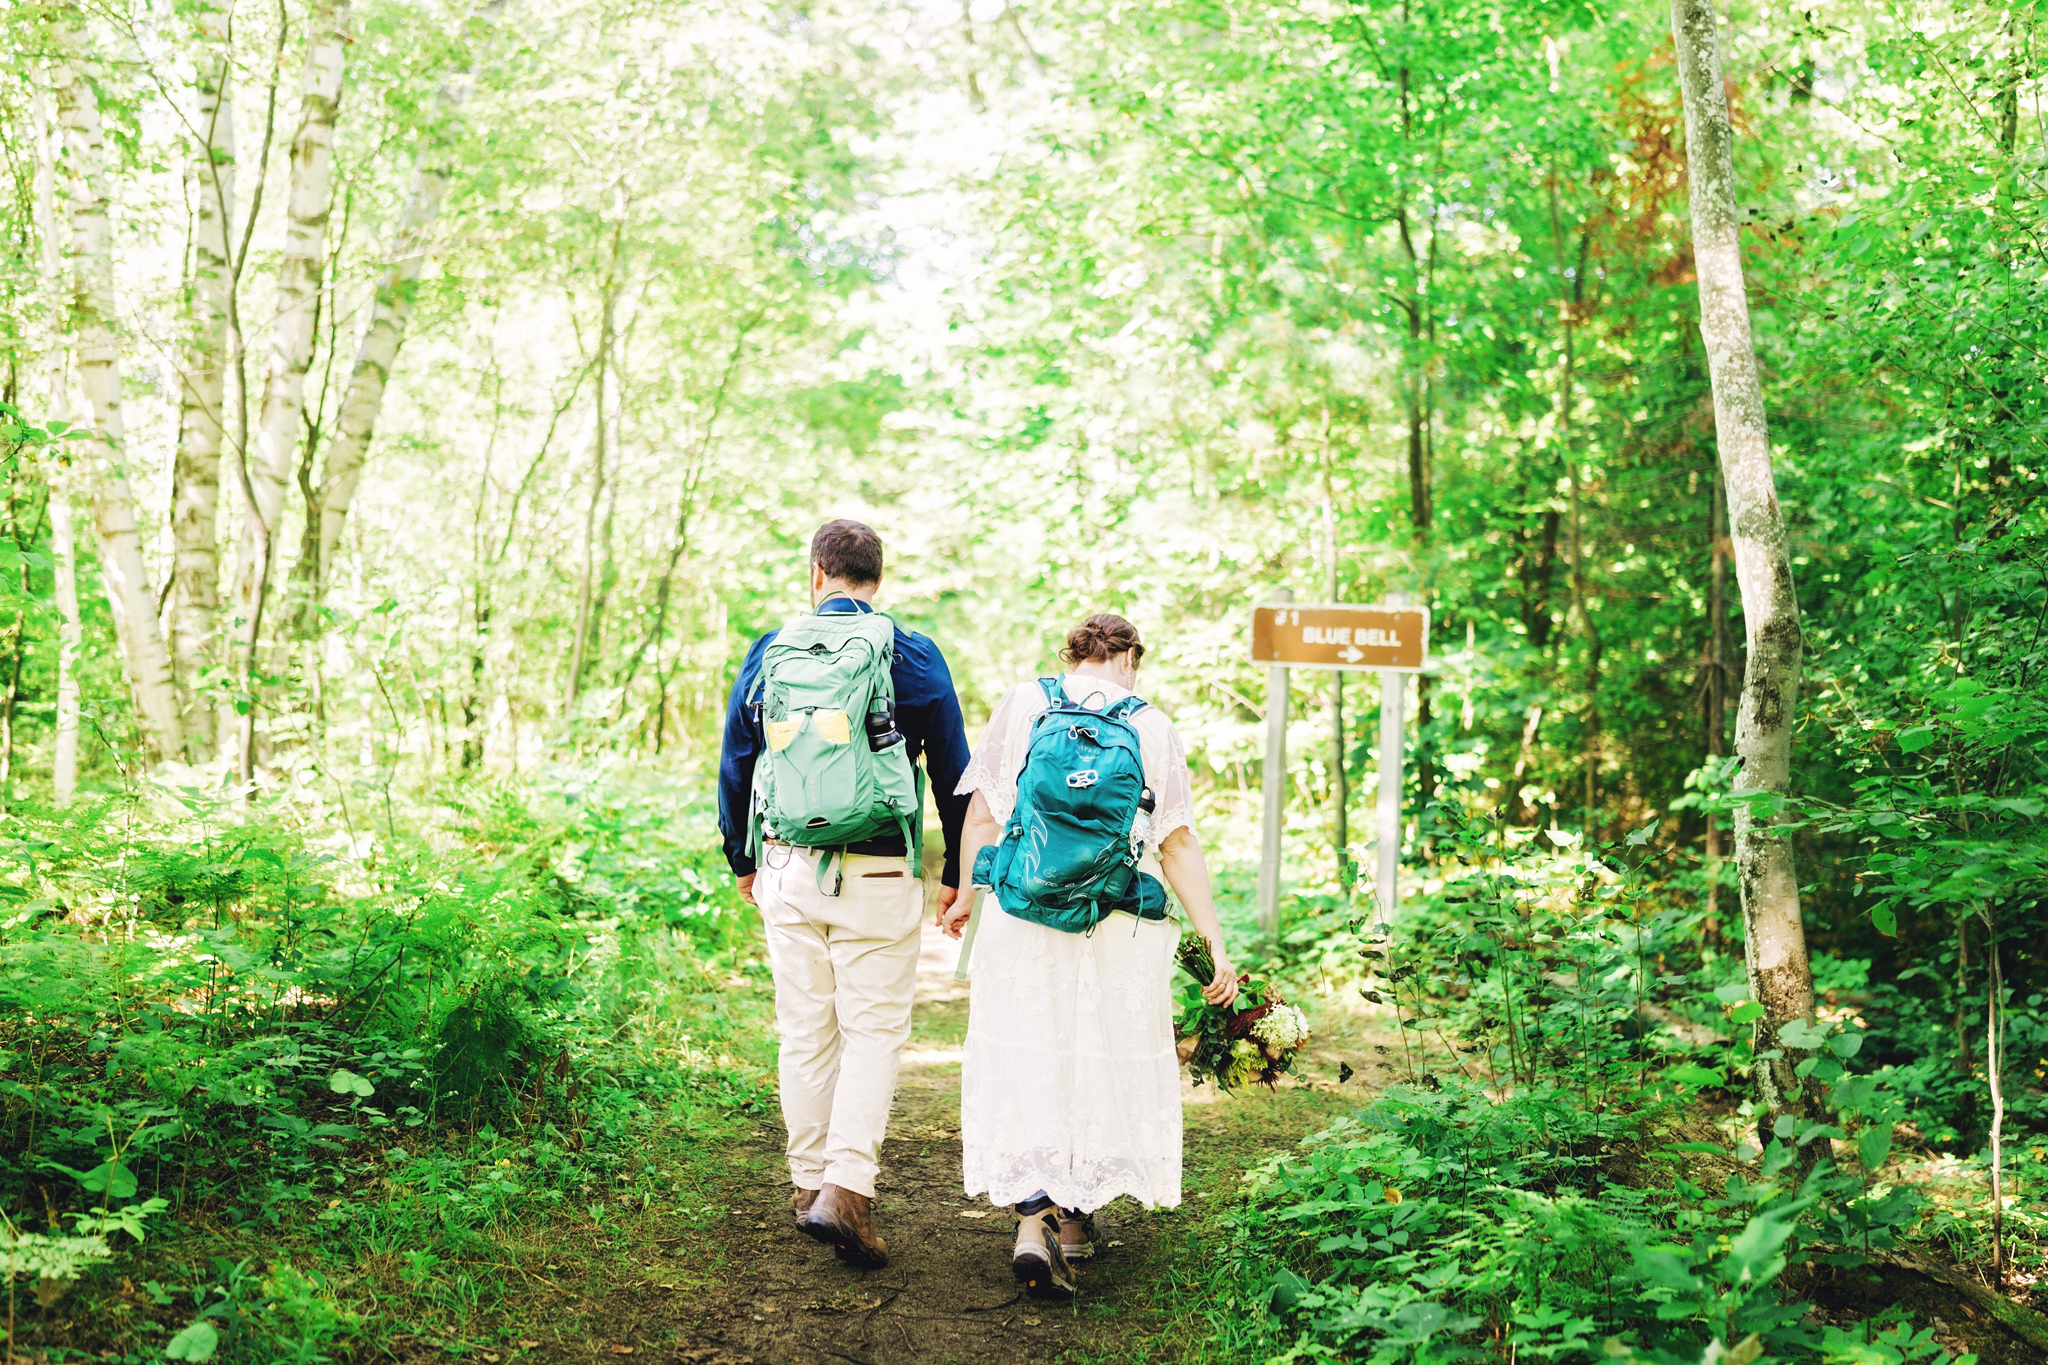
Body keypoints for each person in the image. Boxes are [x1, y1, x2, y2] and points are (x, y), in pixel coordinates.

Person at [939, 613, 1238, 1297]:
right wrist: (1213, 940)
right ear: (1128, 658)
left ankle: (1028, 1222)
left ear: (1072, 655)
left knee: (1029, 1050)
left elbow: (981, 814)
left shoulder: (1023, 702)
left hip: (1022, 913)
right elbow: (1178, 842)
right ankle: (1076, 1221)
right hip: (1115, 918)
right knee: (1096, 1052)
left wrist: (964, 895)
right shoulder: (1152, 724)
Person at [718, 519, 970, 1268]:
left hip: (789, 863)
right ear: (877, 581)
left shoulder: (772, 650)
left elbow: (737, 757)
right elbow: (956, 773)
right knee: (872, 1031)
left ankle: (806, 1184)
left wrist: (742, 856)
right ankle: (846, 1188)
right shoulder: (911, 652)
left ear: (816, 574)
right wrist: (957, 870)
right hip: (880, 869)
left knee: (805, 1030)